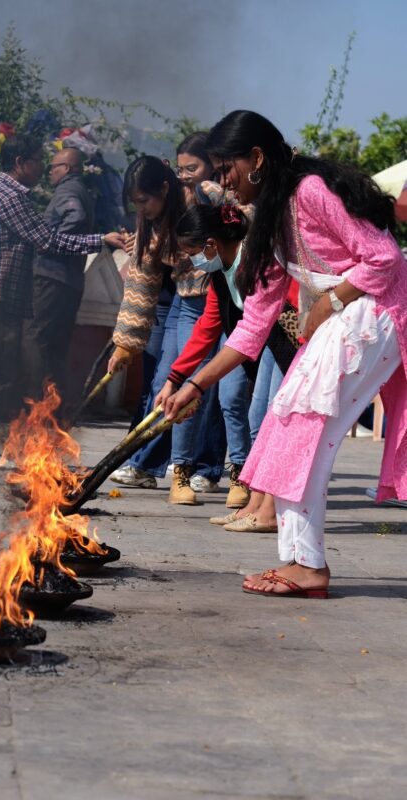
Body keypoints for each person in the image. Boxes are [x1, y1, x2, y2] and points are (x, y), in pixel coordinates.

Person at [163, 109, 406, 597]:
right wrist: (191, 385)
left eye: (226, 168)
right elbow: (252, 326)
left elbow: (385, 258)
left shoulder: (309, 191)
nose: (222, 182)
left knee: (302, 430)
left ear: (256, 159)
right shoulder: (272, 220)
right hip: (347, 320)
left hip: (375, 315)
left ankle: (308, 566)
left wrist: (330, 301)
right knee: (284, 423)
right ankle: (298, 561)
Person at [0, 134, 124, 467]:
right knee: (0, 373)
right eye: (39, 160)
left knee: (4, 369)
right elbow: (46, 240)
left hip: (3, 296)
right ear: (21, 163)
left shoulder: (7, 194)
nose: (42, 168)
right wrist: (101, 240)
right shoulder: (10, 198)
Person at [155, 202, 298, 532]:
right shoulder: (220, 274)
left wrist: (194, 385)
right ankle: (255, 504)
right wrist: (176, 378)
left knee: (275, 422)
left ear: (210, 244)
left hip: (293, 343)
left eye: (193, 251)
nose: (193, 261)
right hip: (270, 347)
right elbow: (208, 325)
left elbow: (264, 323)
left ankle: (270, 510)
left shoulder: (259, 260)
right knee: (257, 418)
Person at [108, 155, 220, 504]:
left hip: (216, 302)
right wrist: (125, 343)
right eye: (136, 203)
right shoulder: (149, 224)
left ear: (166, 188)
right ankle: (149, 465)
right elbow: (142, 282)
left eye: (145, 200)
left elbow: (242, 226)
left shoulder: (207, 197)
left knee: (190, 388)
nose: (142, 208)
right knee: (162, 385)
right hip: (184, 304)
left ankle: (184, 473)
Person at [24, 147, 95, 400]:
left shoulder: (68, 190)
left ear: (66, 169)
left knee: (38, 340)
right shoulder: (80, 190)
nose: (49, 172)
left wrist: (50, 243)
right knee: (57, 347)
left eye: (54, 167)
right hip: (70, 280)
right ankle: (52, 407)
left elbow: (75, 217)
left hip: (52, 277)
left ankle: (33, 401)